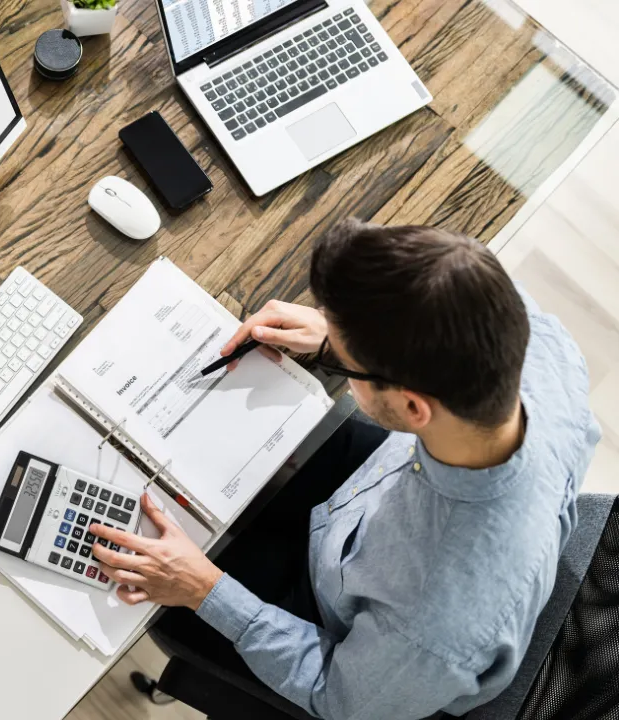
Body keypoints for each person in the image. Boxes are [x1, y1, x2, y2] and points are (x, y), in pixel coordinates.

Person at [89, 219, 601, 719]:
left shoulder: (433, 620)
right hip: (373, 498)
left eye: (351, 367)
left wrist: (203, 590)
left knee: (165, 594)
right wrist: (338, 338)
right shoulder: (534, 343)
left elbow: (337, 696)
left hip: (344, 632)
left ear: (413, 408)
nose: (341, 364)